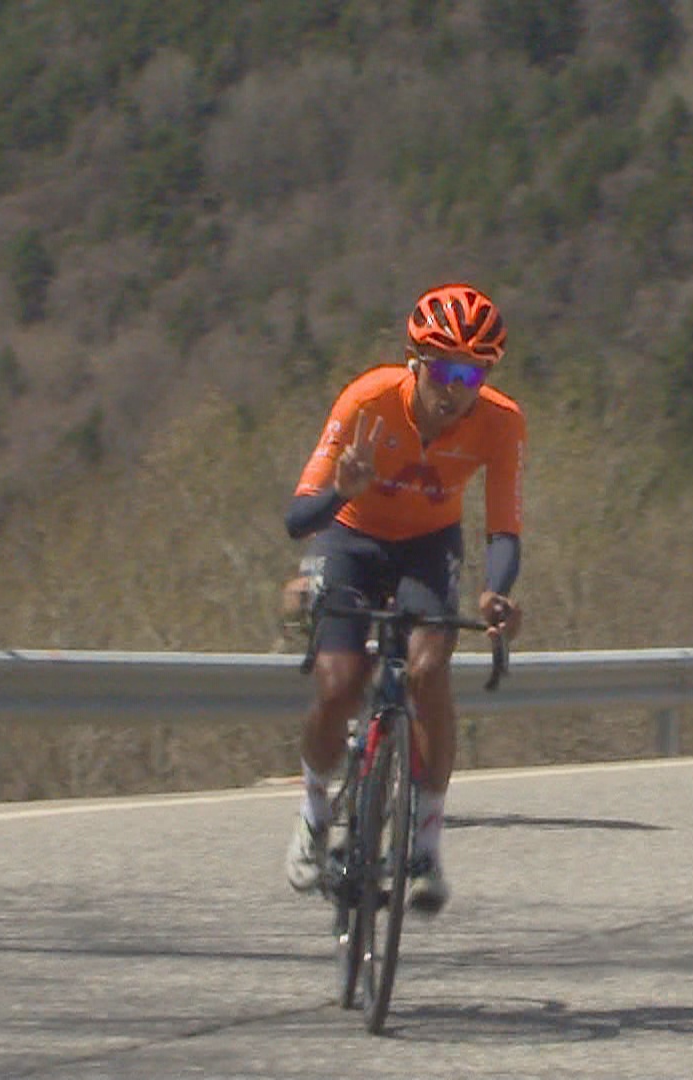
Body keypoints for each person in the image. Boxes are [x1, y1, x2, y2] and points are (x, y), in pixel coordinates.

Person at [283, 282, 525, 916]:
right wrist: (342, 490)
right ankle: (313, 814)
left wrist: (497, 591)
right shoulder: (368, 399)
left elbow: (504, 527)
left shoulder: (501, 422)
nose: (458, 388)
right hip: (353, 536)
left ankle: (425, 839)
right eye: (446, 370)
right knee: (339, 682)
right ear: (416, 363)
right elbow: (298, 518)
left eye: (475, 374)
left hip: (428, 545)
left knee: (428, 672)